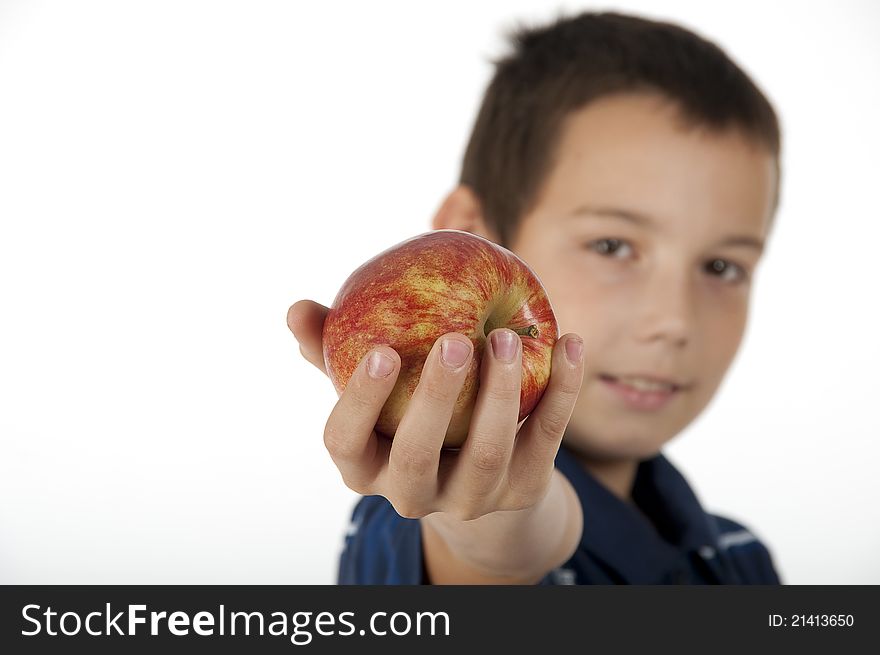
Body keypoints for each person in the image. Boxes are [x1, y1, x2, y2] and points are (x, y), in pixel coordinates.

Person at [287, 11, 782, 584]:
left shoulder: (744, 558)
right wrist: (489, 526)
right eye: (612, 245)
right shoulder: (412, 519)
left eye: (722, 266)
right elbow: (499, 540)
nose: (673, 320)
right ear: (473, 232)